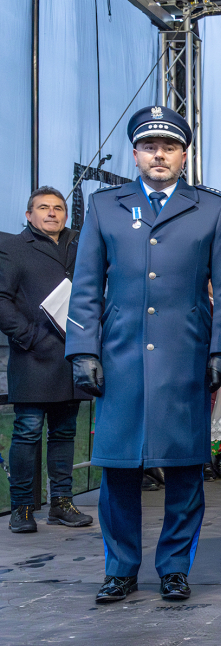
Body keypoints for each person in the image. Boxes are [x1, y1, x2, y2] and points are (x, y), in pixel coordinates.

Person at [66, 106, 221, 603]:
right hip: (118, 359)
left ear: (185, 154)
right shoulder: (104, 206)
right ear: (136, 153)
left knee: (185, 469)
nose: (158, 155)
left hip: (185, 358)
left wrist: (220, 348)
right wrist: (83, 349)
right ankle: (119, 568)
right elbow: (86, 285)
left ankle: (174, 568)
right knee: (118, 470)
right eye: (149, 146)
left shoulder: (212, 208)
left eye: (169, 147)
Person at [0, 186, 93, 532]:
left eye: (58, 208)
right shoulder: (12, 248)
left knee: (65, 434)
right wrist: (29, 336)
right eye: (43, 208)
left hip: (73, 357)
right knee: (27, 432)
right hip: (33, 357)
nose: (52, 213)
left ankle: (61, 504)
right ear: (29, 215)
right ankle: (22, 508)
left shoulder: (80, 244)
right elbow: (1, 301)